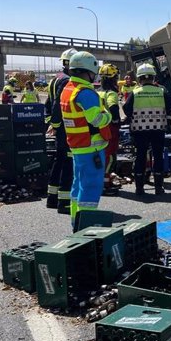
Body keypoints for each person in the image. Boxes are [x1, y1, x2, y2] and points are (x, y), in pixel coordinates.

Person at [59, 52, 112, 230]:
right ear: (89, 71)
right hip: (91, 148)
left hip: (77, 146)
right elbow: (96, 120)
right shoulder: (85, 93)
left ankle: (76, 223)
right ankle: (85, 229)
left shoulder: (68, 89)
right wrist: (108, 116)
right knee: (90, 188)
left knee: (77, 187)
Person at [123, 63, 171, 196]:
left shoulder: (135, 92)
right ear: (153, 78)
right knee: (158, 157)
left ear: (139, 79)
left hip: (139, 131)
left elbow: (126, 109)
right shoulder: (161, 91)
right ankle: (158, 187)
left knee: (140, 157)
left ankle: (139, 188)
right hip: (158, 129)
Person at [45, 48, 78, 211]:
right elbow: (58, 104)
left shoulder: (55, 79)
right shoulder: (67, 81)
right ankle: (63, 202)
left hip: (59, 128)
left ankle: (51, 198)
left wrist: (50, 123)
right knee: (67, 164)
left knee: (58, 162)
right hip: (66, 129)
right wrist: (57, 125)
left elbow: (48, 105)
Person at [98, 64, 122, 195]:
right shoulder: (111, 93)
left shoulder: (97, 92)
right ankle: (105, 184)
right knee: (110, 156)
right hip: (110, 129)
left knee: (101, 155)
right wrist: (117, 121)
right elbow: (113, 108)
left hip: (98, 127)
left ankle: (101, 181)